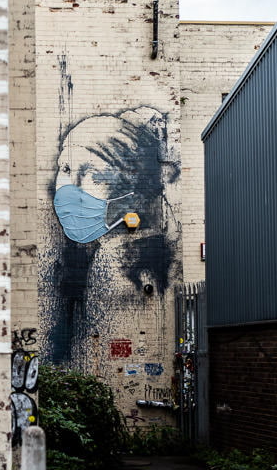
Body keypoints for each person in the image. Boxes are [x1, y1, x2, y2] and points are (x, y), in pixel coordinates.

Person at [40, 106, 179, 367]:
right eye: (67, 168)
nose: (73, 187)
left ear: (134, 189)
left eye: (93, 173)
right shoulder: (74, 258)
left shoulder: (123, 261)